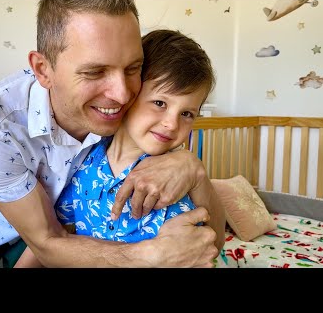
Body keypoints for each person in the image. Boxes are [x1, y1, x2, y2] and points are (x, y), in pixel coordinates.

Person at [0, 0, 219, 268]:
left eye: (133, 68)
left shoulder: (134, 123)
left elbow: (208, 241)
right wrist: (150, 256)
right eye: (94, 72)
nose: (121, 95)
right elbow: (46, 243)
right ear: (43, 69)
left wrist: (193, 169)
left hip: (52, 235)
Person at [16, 29, 225, 267]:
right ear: (129, 93)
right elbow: (52, 239)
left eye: (187, 114)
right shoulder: (84, 161)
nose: (171, 124)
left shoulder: (170, 185)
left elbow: (206, 249)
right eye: (160, 103)